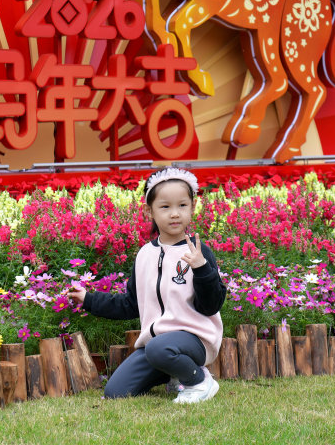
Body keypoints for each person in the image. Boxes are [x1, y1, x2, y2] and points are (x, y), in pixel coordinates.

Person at [69, 167, 225, 403]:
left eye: (182, 205)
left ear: (192, 207)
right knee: (116, 392)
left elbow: (211, 306)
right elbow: (131, 304)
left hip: (195, 340)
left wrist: (202, 269)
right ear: (149, 210)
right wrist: (88, 299)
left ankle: (199, 381)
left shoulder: (198, 251)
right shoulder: (145, 255)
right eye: (165, 207)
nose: (175, 214)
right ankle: (175, 376)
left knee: (159, 348)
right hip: (156, 345)